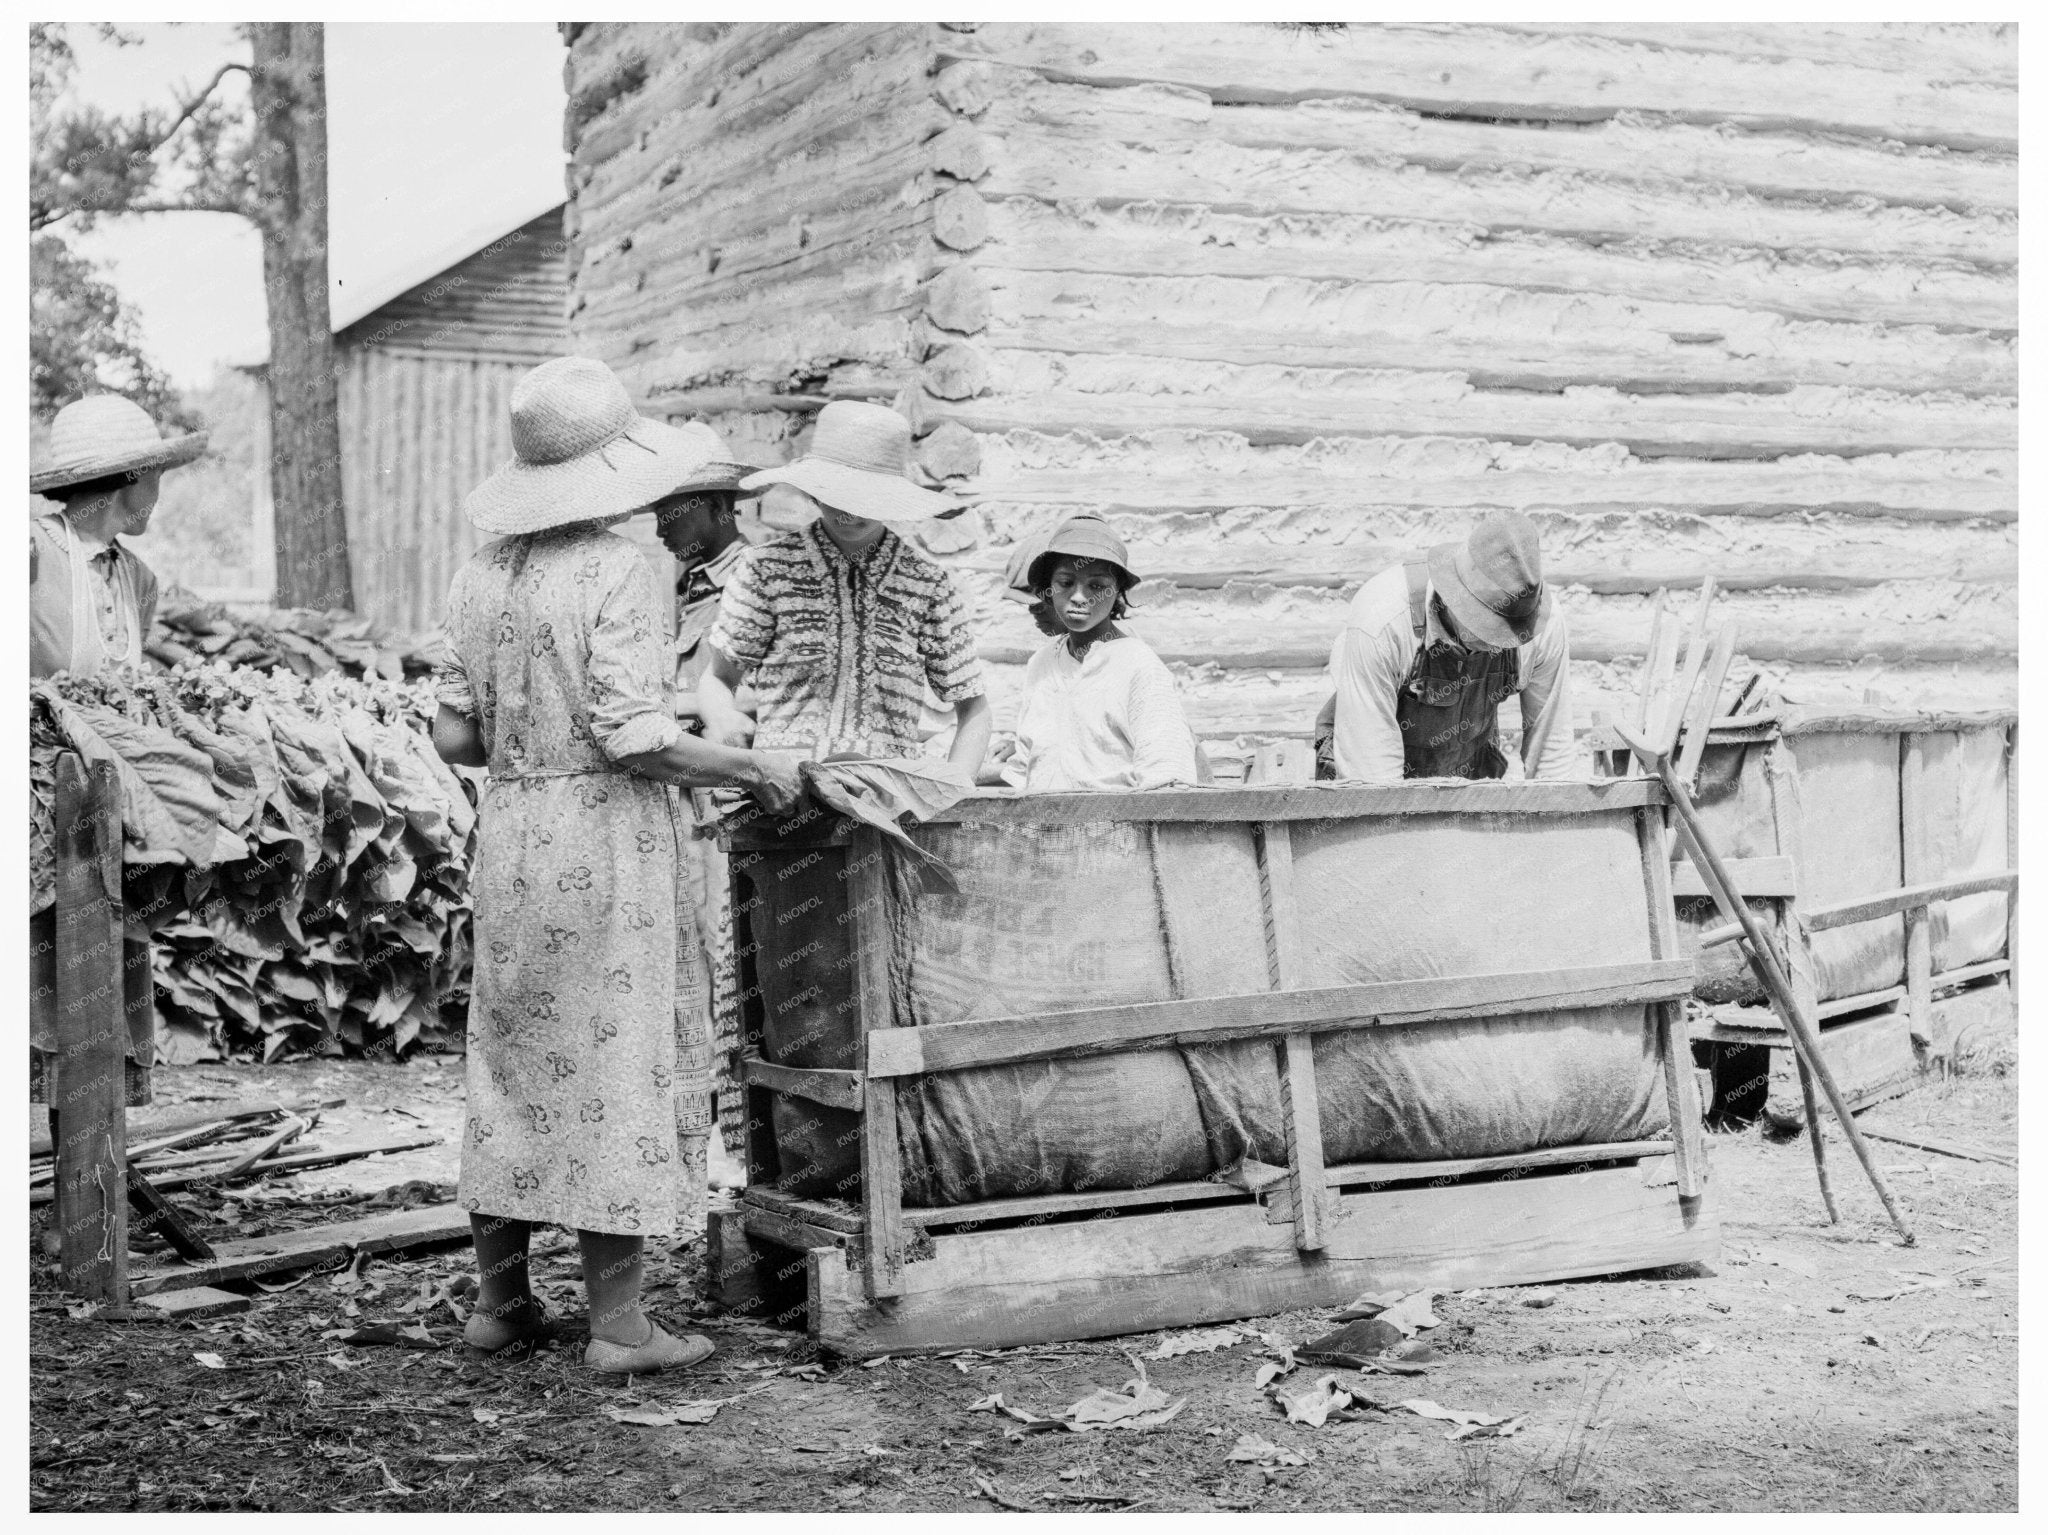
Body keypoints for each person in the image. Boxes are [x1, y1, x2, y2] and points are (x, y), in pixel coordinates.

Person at [432, 356, 802, 1376]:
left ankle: (501, 1305)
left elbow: (454, 734)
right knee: (611, 1060)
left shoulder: (480, 571)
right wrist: (748, 763)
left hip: (511, 836)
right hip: (604, 839)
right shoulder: (622, 566)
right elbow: (633, 737)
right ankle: (619, 1325)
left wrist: (531, 735)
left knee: (510, 1062)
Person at [698, 400, 993, 773]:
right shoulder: (766, 569)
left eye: (865, 498)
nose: (850, 512)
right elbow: (719, 678)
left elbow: (974, 709)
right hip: (783, 798)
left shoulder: (927, 583)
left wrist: (953, 787)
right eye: (838, 494)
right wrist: (722, 718)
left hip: (890, 799)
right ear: (813, 490)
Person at [1316, 510, 1575, 782]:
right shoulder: (1383, 624)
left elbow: (1551, 754)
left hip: (1465, 771)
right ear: (1453, 594)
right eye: (1486, 625)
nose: (1496, 644)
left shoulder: (1541, 626)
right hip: (1372, 770)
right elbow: (1373, 779)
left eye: (1507, 634)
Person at [990, 515, 1197, 792]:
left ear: (1117, 593)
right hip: (1042, 828)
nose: (1078, 596)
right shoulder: (1041, 664)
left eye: (1097, 586)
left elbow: (1167, 772)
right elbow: (1026, 766)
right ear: (1048, 589)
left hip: (1116, 829)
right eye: (1065, 582)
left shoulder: (1138, 665)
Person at [30, 393, 206, 679]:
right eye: (158, 476)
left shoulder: (140, 579)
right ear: (133, 475)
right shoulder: (31, 550)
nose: (157, 495)